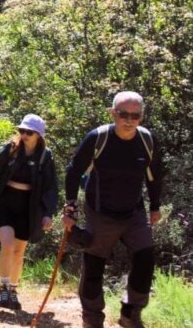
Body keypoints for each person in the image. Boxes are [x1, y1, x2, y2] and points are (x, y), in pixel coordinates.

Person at [63, 91, 163, 328]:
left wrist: (155, 207)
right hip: (100, 211)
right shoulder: (99, 137)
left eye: (135, 115)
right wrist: (70, 206)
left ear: (141, 116)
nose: (129, 120)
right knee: (94, 266)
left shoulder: (146, 140)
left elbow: (154, 176)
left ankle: (130, 314)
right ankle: (92, 319)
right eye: (123, 114)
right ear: (112, 113)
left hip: (134, 212)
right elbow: (74, 171)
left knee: (145, 258)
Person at [0, 114, 58, 310]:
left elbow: (51, 187)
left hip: (28, 208)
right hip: (5, 203)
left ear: (39, 135)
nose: (24, 135)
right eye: (22, 131)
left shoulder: (45, 156)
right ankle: (4, 287)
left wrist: (48, 213)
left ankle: (14, 290)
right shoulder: (11, 150)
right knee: (7, 244)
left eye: (29, 132)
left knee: (19, 252)